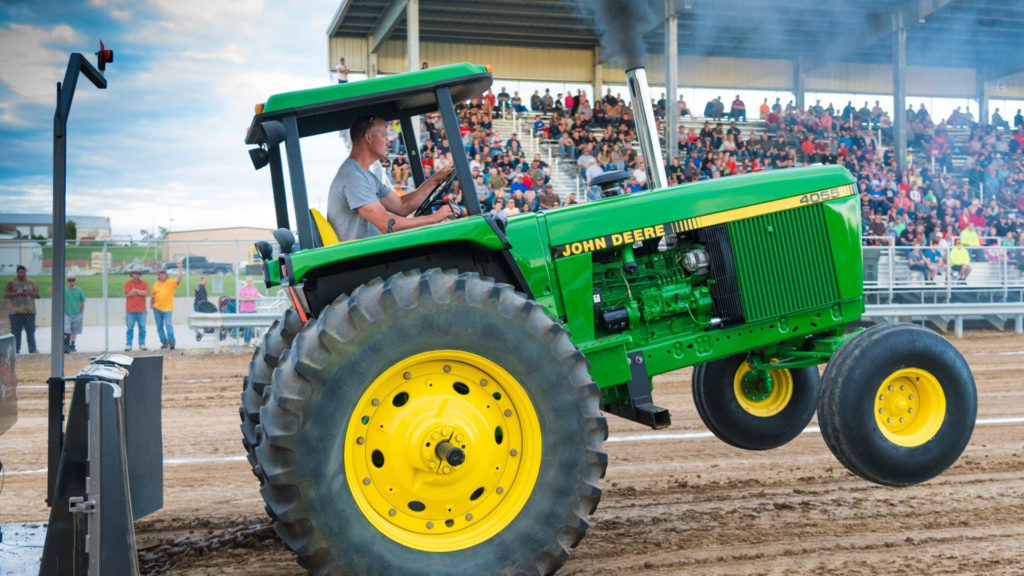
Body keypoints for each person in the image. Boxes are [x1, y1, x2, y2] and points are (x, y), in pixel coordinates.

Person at [328, 116, 454, 241]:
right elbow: (386, 224)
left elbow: (402, 206)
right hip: (364, 257)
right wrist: (434, 218)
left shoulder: (365, 175)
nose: (388, 141)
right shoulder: (353, 177)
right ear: (368, 138)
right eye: (384, 135)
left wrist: (436, 179)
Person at [4, 265, 39, 354]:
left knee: (30, 332)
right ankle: (15, 350)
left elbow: (37, 295)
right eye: (20, 272)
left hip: (29, 311)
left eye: (23, 272)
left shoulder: (31, 282)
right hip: (15, 311)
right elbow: (6, 295)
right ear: (17, 272)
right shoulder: (11, 282)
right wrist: (16, 293)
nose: (22, 274)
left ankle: (33, 349)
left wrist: (26, 292)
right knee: (15, 333)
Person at [151, 264, 183, 350]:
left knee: (168, 325)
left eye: (163, 274)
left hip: (167, 308)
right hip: (157, 309)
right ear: (158, 276)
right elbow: (153, 296)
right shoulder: (156, 284)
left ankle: (171, 341)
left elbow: (179, 279)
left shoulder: (170, 282)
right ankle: (164, 342)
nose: (162, 275)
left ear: (166, 275)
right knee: (159, 326)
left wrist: (180, 268)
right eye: (160, 274)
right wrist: (152, 305)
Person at [124, 268, 148, 351]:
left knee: (142, 328)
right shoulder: (128, 283)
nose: (136, 274)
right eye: (135, 273)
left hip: (141, 310)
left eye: (138, 273)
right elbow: (128, 294)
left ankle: (142, 344)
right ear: (132, 274)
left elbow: (145, 293)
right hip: (130, 310)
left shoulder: (144, 284)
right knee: (130, 328)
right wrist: (138, 292)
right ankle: (128, 344)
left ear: (140, 275)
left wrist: (135, 290)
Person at [64, 274, 86, 353]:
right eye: (69, 280)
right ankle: (66, 345)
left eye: (72, 280)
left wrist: (82, 310)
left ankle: (72, 345)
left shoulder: (79, 290)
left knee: (74, 330)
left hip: (77, 312)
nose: (71, 282)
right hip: (67, 312)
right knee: (66, 329)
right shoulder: (64, 290)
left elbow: (82, 301)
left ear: (75, 281)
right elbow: (51, 291)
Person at [238, 276, 260, 346]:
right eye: (247, 281)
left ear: (252, 281)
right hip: (244, 310)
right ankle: (246, 341)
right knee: (247, 326)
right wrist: (249, 297)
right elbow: (242, 297)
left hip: (252, 309)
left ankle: (249, 341)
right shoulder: (243, 289)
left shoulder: (255, 289)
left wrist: (249, 297)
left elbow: (256, 297)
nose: (249, 282)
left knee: (251, 326)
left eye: (250, 281)